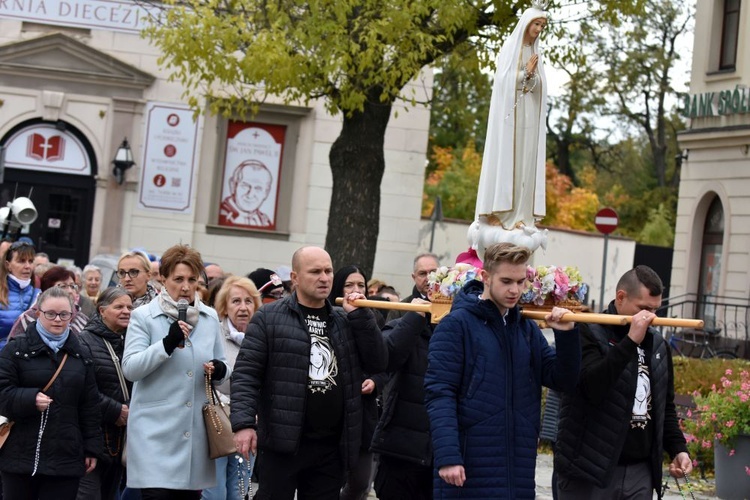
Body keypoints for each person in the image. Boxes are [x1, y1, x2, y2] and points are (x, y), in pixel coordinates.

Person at [424, 243, 581, 498]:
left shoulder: (526, 330)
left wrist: (567, 337)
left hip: (517, 469)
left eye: (520, 282)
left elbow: (563, 380)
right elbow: (439, 393)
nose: (515, 290)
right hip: (467, 466)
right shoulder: (456, 325)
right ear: (485, 277)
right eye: (506, 281)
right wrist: (448, 455)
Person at [231, 246, 388, 500]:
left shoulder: (344, 320)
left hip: (331, 446)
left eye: (328, 271)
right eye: (315, 272)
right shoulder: (268, 318)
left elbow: (378, 361)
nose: (324, 278)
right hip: (282, 444)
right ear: (295, 278)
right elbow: (246, 374)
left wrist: (361, 318)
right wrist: (243, 424)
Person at [554, 265, 692, 499]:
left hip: (640, 472)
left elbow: (663, 406)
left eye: (656, 310)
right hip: (590, 469)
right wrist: (630, 342)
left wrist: (678, 449)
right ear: (621, 297)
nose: (651, 317)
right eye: (644, 309)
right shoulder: (587, 330)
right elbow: (590, 388)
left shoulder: (658, 345)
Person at [122, 244, 230, 499]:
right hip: (154, 433)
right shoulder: (143, 316)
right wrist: (166, 345)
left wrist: (219, 370)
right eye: (178, 279)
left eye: (192, 279)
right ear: (163, 279)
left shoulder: (210, 317)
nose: (185, 287)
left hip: (194, 435)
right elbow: (131, 369)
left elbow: (223, 370)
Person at [0, 286, 101, 500]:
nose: (58, 319)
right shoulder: (15, 350)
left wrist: (92, 448)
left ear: (72, 315)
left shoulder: (81, 354)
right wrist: (29, 399)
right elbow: (2, 393)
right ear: (38, 313)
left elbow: (90, 405)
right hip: (19, 455)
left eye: (64, 314)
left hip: (65, 456)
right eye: (51, 314)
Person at [475, 3, 548, 230]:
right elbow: (503, 82)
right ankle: (502, 212)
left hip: (528, 117)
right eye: (536, 24)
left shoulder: (536, 53)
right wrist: (525, 73)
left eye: (542, 25)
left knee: (526, 161)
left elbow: (540, 85)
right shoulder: (511, 48)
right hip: (510, 120)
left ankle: (522, 213)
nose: (539, 29)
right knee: (510, 160)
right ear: (526, 24)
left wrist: (533, 77)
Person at [370, 275, 435, 499]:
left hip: (441, 457)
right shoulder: (407, 322)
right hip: (400, 451)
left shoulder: (462, 333)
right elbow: (384, 359)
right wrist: (414, 318)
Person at [201, 276, 261, 500]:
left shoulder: (262, 335)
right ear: (224, 307)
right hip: (217, 423)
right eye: (236, 301)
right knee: (214, 492)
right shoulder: (213, 333)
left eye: (248, 301)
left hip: (249, 423)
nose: (243, 308)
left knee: (240, 489)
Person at [329, 266, 383, 500]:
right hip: (333, 410)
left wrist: (375, 381)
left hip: (363, 411)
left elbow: (383, 361)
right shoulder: (328, 316)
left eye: (361, 285)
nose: (356, 290)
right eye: (349, 285)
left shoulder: (375, 317)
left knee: (361, 482)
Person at [76, 287, 134, 500]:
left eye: (129, 307)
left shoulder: (133, 341)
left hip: (122, 439)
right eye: (119, 306)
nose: (126, 311)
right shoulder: (85, 341)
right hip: (93, 436)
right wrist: (116, 410)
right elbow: (82, 388)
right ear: (102, 311)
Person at [10, 266, 89, 338]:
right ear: (47, 289)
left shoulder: (82, 319)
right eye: (63, 286)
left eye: (72, 286)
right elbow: (12, 348)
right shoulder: (28, 318)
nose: (70, 291)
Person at [0, 241, 39, 350]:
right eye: (21, 261)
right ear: (8, 265)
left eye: (31, 261)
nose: (27, 266)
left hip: (27, 360)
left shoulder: (39, 295)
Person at [219, 160, 274, 228]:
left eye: (258, 188)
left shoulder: (265, 221)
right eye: (245, 186)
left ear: (266, 193)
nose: (250, 195)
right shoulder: (221, 215)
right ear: (233, 186)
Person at [386, 253, 439, 322]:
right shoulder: (399, 310)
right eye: (422, 273)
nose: (428, 278)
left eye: (433, 273)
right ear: (414, 277)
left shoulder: (451, 306)